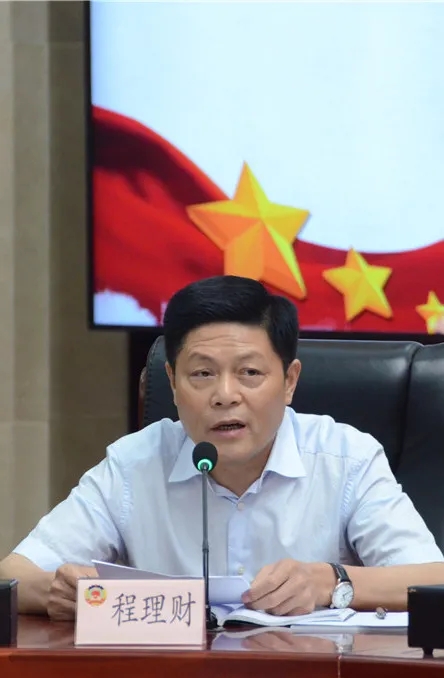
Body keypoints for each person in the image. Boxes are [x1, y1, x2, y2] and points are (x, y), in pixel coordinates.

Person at [1, 275, 443, 621]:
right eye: (202, 374)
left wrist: (331, 581)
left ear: (289, 381)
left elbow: (434, 582)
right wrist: (59, 593)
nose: (225, 395)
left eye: (249, 373)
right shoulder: (134, 464)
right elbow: (12, 576)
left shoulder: (346, 459)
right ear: (172, 382)